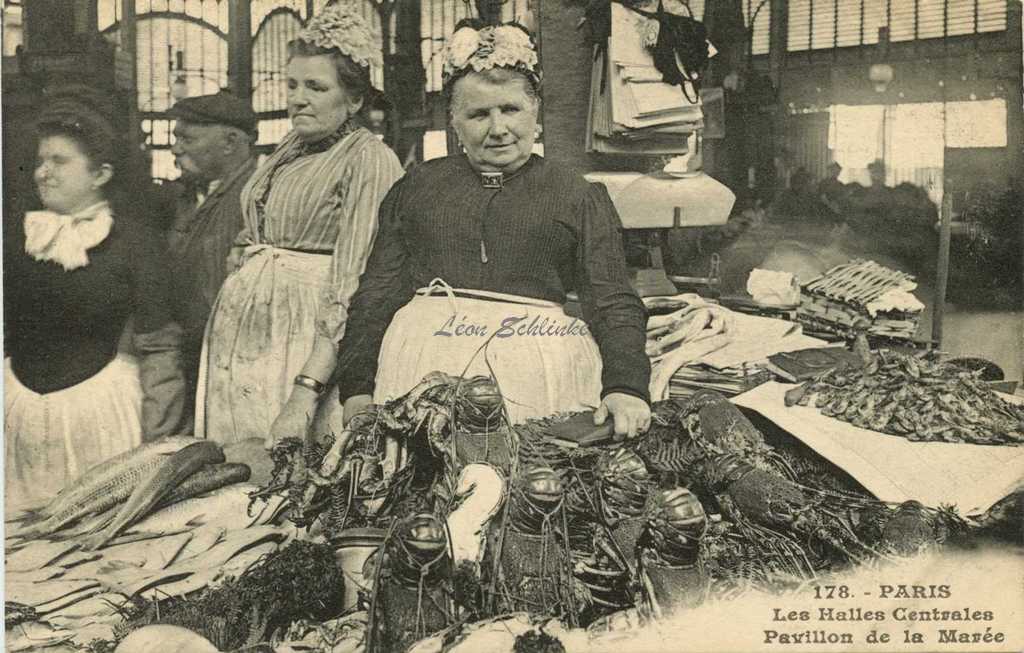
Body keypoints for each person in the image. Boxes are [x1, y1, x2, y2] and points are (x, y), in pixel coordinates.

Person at [332, 20, 651, 455]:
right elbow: (377, 292)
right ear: (455, 123)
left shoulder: (577, 194)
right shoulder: (418, 186)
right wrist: (356, 387)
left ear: (535, 113)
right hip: (418, 369)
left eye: (510, 110)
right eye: (479, 114)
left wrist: (626, 385)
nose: (497, 128)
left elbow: (613, 298)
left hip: (537, 370)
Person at [195, 4, 404, 447]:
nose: (297, 97)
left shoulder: (368, 158)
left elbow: (354, 283)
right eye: (291, 84)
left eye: (315, 86)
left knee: (286, 475)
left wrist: (305, 391)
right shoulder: (292, 145)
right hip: (251, 336)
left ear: (355, 99)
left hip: (305, 337)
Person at [3, 91, 185, 507]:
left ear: (100, 174)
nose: (42, 173)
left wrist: (156, 447)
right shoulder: (17, 237)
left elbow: (160, 348)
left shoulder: (135, 243)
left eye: (59, 161)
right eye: (40, 161)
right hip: (16, 417)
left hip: (101, 419)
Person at [165, 91, 258, 427]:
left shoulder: (257, 197)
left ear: (230, 142)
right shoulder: (185, 194)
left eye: (186, 138)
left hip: (229, 363)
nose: (176, 148)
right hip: (189, 357)